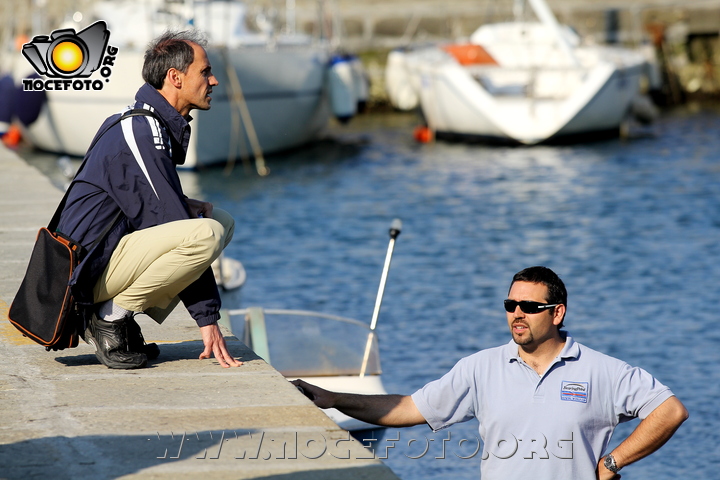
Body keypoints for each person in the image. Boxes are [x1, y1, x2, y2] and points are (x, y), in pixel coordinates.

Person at [293, 266, 688, 479]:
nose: (517, 313)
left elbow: (670, 411)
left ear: (557, 313)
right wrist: (333, 399)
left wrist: (611, 463)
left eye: (530, 307)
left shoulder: (603, 371)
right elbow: (408, 409)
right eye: (510, 304)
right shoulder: (480, 368)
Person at [57, 30, 242, 370]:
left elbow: (143, 203)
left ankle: (121, 318)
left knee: (220, 221)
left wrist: (181, 202)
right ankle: (109, 319)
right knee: (207, 234)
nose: (213, 80)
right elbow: (169, 222)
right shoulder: (142, 131)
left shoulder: (147, 122)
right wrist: (207, 318)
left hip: (103, 258)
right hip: (81, 275)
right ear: (175, 77)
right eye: (205, 72)